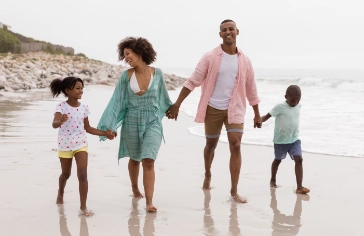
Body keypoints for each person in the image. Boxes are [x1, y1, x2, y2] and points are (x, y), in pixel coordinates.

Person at [166, 19, 262, 203]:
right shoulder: (210, 57)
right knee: (211, 145)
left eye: (231, 29)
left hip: (236, 109)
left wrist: (257, 113)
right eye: (224, 30)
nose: (228, 32)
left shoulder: (245, 61)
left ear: (237, 32)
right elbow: (193, 81)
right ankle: (208, 174)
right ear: (220, 34)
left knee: (235, 145)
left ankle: (234, 191)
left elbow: (251, 88)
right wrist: (177, 104)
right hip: (213, 108)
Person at [97, 37, 173, 212]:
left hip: (152, 121)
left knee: (148, 160)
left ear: (139, 51)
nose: (126, 58)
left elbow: (163, 97)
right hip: (131, 120)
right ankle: (134, 188)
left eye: (128, 53)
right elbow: (116, 101)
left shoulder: (158, 73)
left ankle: (149, 202)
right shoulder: (126, 76)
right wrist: (111, 125)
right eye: (124, 55)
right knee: (135, 158)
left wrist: (171, 109)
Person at [50, 76, 114, 216]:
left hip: (81, 144)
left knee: (83, 174)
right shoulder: (61, 107)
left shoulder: (84, 107)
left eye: (82, 88)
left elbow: (88, 128)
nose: (81, 91)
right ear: (68, 90)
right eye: (78, 88)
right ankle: (60, 192)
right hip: (65, 145)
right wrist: (60, 121)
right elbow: (54, 124)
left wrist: (105, 133)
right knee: (66, 174)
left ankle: (83, 207)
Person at [260, 85, 310, 194]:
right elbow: (268, 115)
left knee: (299, 159)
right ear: (286, 97)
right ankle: (273, 179)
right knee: (277, 160)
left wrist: (296, 103)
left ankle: (299, 187)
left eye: (297, 101)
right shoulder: (280, 107)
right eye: (293, 101)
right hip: (281, 141)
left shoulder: (298, 106)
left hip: (294, 139)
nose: (295, 103)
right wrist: (260, 120)